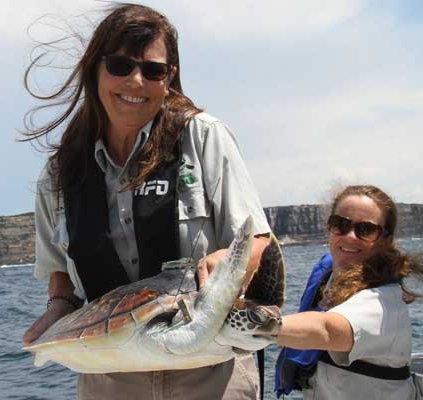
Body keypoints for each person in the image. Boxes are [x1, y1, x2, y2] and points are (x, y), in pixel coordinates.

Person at [20, 4, 271, 399]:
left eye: (153, 70)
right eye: (120, 65)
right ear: (94, 68)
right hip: (109, 373)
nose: (136, 81)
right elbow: (60, 272)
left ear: (169, 77)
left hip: (208, 368)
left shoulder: (202, 137)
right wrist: (57, 310)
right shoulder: (61, 172)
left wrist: (228, 263)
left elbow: (256, 240)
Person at [227, 185, 423, 400]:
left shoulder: (383, 304)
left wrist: (247, 322)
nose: (350, 236)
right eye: (340, 224)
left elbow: (327, 330)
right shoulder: (330, 277)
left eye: (366, 230)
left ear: (386, 240)